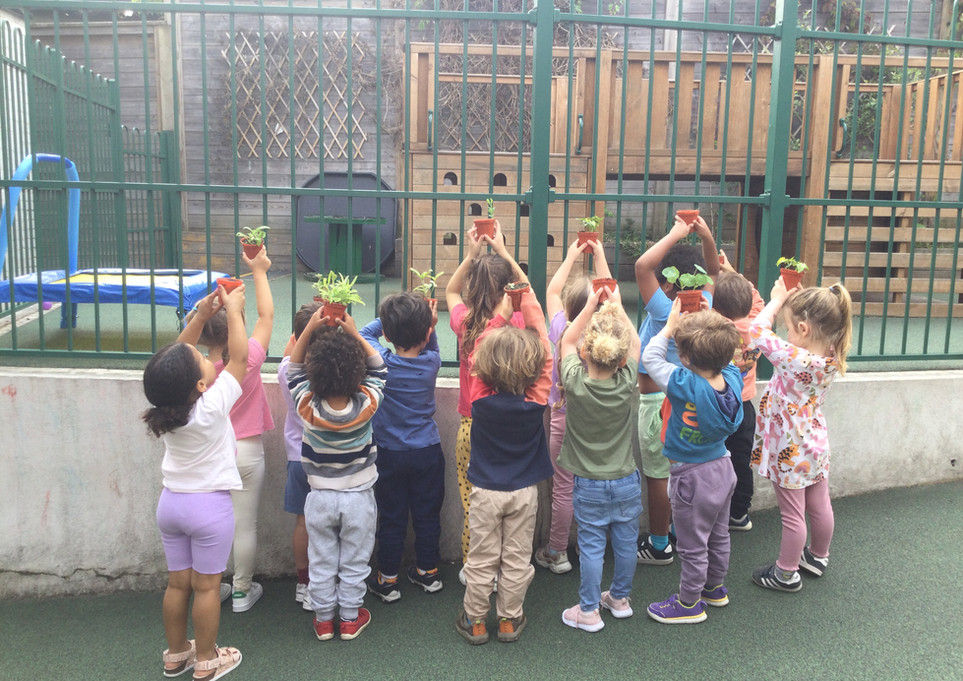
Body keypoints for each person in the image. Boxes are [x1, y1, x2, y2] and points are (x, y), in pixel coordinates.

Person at [143, 284, 246, 680]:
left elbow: (172, 361)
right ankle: (206, 659)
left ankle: (175, 654)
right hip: (209, 509)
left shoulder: (164, 408)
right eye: (202, 360)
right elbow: (239, 357)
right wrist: (233, 311)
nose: (205, 356)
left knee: (177, 585)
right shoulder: (212, 406)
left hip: (171, 505)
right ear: (201, 385)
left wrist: (201, 316)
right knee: (206, 588)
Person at [455, 283, 553, 645]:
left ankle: (476, 621)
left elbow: (480, 349)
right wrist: (525, 302)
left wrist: (500, 312)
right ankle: (510, 620)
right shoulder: (536, 401)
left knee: (481, 558)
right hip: (524, 493)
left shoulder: (479, 400)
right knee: (516, 558)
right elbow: (545, 350)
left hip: (484, 492)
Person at [182, 247, 274, 613]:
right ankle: (241, 592)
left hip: (210, 455)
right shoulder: (247, 357)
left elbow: (180, 349)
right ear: (236, 323)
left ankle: (212, 584)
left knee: (210, 525)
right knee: (244, 525)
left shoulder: (194, 374)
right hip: (248, 451)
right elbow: (267, 315)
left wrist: (201, 316)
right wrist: (259, 271)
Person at [287, 308, 387, 641]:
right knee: (355, 559)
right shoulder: (367, 403)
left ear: (314, 375)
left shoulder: (307, 406)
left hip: (318, 497)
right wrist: (357, 335)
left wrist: (310, 330)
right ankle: (348, 618)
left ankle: (323, 619)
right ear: (357, 374)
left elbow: (293, 369)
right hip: (358, 497)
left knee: (322, 558)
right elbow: (379, 368)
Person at [642, 301, 743, 624]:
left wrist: (669, 328)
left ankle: (688, 604)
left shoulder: (682, 382)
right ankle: (714, 588)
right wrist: (714, 317)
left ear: (684, 358)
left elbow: (649, 357)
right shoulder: (732, 378)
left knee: (691, 545)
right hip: (723, 468)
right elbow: (725, 354)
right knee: (718, 535)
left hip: (691, 478)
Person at [749, 278, 852, 592]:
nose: (787, 335)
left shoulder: (796, 359)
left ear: (805, 330)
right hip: (815, 445)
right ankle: (818, 557)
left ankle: (786, 573)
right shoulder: (832, 354)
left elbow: (756, 331)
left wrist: (778, 298)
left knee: (793, 516)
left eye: (791, 329)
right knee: (820, 505)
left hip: (789, 451)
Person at [634, 215, 720, 566]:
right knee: (681, 471)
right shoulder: (703, 308)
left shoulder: (663, 310)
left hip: (656, 404)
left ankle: (658, 545)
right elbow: (713, 273)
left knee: (657, 475)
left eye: (661, 278)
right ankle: (676, 533)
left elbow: (643, 265)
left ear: (669, 285)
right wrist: (708, 237)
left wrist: (674, 234)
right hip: (689, 403)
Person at [557, 283, 642, 633]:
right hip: (626, 480)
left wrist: (590, 303)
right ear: (622, 360)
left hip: (589, 484)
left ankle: (589, 611)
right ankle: (619, 600)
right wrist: (618, 307)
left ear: (584, 353)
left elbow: (564, 340)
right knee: (625, 542)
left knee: (591, 546)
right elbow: (636, 344)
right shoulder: (626, 381)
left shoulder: (574, 381)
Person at [446, 221, 527, 581]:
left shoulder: (465, 323)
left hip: (471, 427)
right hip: (514, 428)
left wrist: (471, 255)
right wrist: (505, 253)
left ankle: (476, 569)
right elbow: (531, 293)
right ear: (509, 290)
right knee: (512, 505)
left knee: (474, 504)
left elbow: (450, 291)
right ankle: (507, 569)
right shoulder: (520, 321)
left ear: (473, 289)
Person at [533, 238, 613, 576]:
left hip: (562, 422)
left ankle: (556, 551)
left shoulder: (560, 329)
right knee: (594, 483)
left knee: (563, 488)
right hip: (600, 423)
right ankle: (590, 543)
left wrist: (569, 256)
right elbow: (612, 300)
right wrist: (601, 256)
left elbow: (552, 291)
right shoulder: (610, 338)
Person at [360, 292, 445, 602]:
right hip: (428, 451)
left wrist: (391, 319)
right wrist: (427, 324)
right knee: (427, 513)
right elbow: (431, 344)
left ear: (390, 333)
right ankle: (428, 572)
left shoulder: (382, 363)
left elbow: (361, 334)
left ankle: (387, 578)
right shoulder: (432, 361)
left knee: (392, 515)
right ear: (426, 333)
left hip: (389, 454)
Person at [712, 254, 765, 530]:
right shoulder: (757, 325)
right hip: (745, 408)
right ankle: (740, 512)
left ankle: (715, 508)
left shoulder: (718, 327)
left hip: (720, 404)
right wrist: (734, 271)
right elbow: (757, 300)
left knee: (716, 458)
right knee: (741, 460)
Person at [277, 301, 321, 611]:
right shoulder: (333, 375)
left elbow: (291, 350)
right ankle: (325, 580)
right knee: (330, 523)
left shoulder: (285, 371)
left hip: (297, 457)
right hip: (330, 459)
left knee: (303, 522)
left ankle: (304, 582)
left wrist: (304, 328)